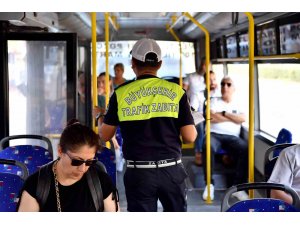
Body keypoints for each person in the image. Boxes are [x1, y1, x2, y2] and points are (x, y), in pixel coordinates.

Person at [99, 38, 197, 212]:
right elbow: (190, 136)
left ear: (133, 63)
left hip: (139, 173)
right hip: (171, 170)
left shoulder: (120, 94)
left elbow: (105, 135)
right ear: (159, 64)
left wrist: (100, 116)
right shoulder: (177, 92)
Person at [17, 119, 119, 212]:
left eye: (89, 162)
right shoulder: (36, 185)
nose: (82, 169)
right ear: (60, 151)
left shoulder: (101, 182)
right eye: (76, 161)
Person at [202, 76, 248, 201]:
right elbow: (211, 117)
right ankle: (209, 184)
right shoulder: (214, 101)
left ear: (233, 88)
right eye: (222, 84)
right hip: (214, 134)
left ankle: (238, 187)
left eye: (228, 84)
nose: (224, 87)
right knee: (208, 145)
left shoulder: (239, 103)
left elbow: (242, 119)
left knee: (244, 148)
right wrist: (233, 117)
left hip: (232, 137)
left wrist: (223, 113)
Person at [183, 58, 207, 166]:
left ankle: (202, 151)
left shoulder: (208, 78)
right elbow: (183, 90)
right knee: (200, 129)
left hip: (205, 107)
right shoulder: (190, 77)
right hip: (193, 107)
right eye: (203, 64)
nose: (204, 67)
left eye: (207, 65)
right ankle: (198, 153)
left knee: (205, 131)